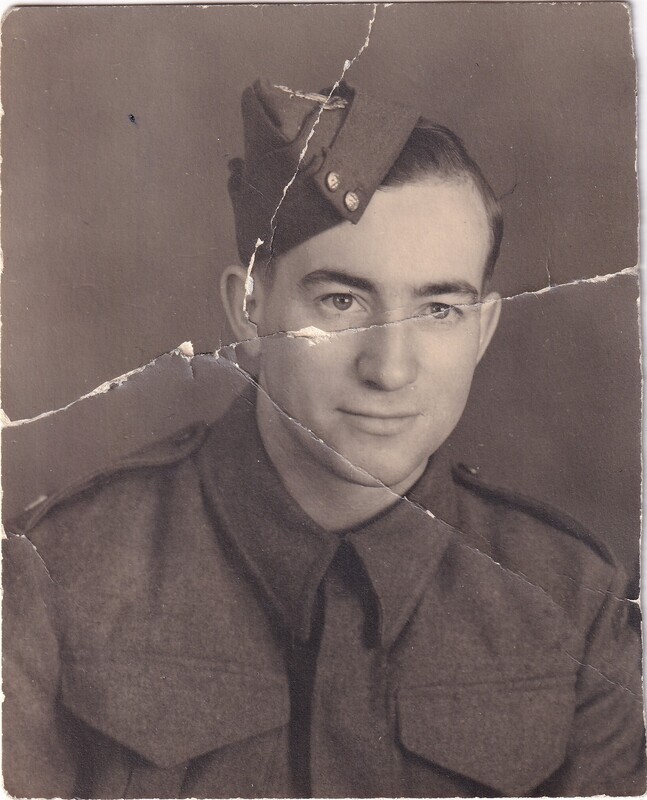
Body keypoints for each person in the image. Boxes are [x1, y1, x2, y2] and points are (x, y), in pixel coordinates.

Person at [3, 79, 645, 799]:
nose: (389, 368)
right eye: (342, 301)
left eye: (437, 310)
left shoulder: (575, 603)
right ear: (247, 310)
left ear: (483, 329)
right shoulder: (56, 575)